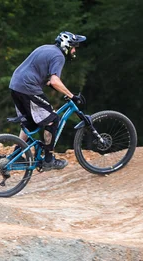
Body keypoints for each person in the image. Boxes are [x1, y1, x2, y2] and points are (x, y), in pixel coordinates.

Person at [9, 31, 86, 170]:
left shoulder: (45, 48)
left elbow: (50, 81)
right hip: (28, 87)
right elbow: (55, 81)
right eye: (74, 47)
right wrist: (72, 96)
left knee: (30, 123)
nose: (74, 50)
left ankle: (17, 154)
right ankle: (49, 159)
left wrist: (62, 90)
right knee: (53, 119)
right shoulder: (58, 56)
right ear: (66, 46)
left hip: (15, 85)